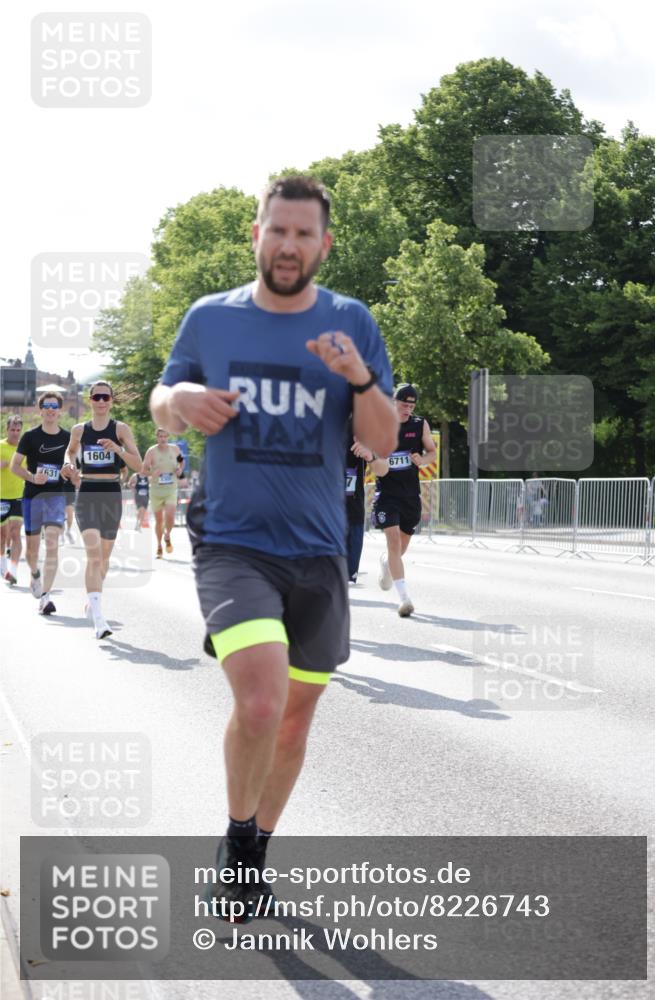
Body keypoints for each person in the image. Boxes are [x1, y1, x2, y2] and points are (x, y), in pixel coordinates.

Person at [150, 174, 397, 922]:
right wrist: (178, 402)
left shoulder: (351, 322)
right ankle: (236, 837)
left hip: (319, 549)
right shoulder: (210, 319)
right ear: (255, 235)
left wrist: (357, 377)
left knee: (294, 716)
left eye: (303, 234)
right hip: (233, 543)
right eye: (276, 230)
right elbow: (163, 402)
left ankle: (258, 844)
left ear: (322, 244)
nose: (288, 245)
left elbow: (379, 442)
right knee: (259, 703)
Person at [61, 381, 142, 639]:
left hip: (111, 495)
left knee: (104, 559)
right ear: (90, 399)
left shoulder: (120, 429)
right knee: (94, 556)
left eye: (105, 396)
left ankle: (92, 600)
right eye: (96, 396)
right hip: (87, 493)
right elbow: (70, 452)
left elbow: (139, 465)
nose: (101, 401)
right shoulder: (78, 430)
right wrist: (68, 464)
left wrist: (118, 449)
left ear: (110, 400)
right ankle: (99, 619)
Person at [372, 383, 437, 617]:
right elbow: (376, 463)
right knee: (393, 541)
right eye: (403, 404)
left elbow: (432, 452)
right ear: (393, 402)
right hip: (387, 495)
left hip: (410, 496)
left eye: (411, 405)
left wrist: (424, 459)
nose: (407, 409)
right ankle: (404, 599)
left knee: (400, 548)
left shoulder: (420, 425)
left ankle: (386, 562)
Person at [10, 393, 69, 614]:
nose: (51, 409)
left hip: (56, 496)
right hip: (33, 496)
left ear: (59, 410)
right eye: (47, 406)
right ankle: (34, 573)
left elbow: (74, 465)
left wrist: (71, 471)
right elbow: (15, 466)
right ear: (41, 410)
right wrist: (33, 477)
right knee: (31, 551)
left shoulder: (68, 437)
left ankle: (46, 596)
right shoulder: (30, 437)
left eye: (55, 406)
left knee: (52, 542)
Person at [143, 428, 182, 557]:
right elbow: (144, 470)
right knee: (159, 521)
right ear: (157, 437)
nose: (163, 439)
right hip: (156, 490)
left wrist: (179, 470)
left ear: (168, 437)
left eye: (165, 436)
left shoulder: (175, 449)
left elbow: (181, 461)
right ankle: (159, 546)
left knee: (170, 515)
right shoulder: (151, 451)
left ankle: (167, 535)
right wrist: (152, 473)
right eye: (160, 436)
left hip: (171, 488)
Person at [344, 420, 374, 583]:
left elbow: (382, 466)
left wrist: (370, 454)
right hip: (325, 508)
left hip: (353, 506)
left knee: (348, 578)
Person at [1, 415, 25, 585]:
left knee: (16, 533)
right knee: (2, 535)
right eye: (12, 430)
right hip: (1, 497)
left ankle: (13, 570)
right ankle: (3, 567)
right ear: (6, 430)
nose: (15, 433)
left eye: (18, 430)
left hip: (19, 497)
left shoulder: (25, 449)